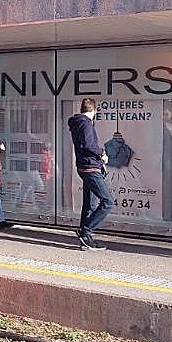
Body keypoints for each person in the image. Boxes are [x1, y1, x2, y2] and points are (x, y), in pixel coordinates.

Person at [67, 98, 112, 250]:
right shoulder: (85, 123)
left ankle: (86, 240)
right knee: (108, 201)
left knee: (90, 204)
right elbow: (88, 144)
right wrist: (102, 154)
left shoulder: (77, 122)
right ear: (95, 110)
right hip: (91, 168)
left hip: (84, 166)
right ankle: (86, 230)